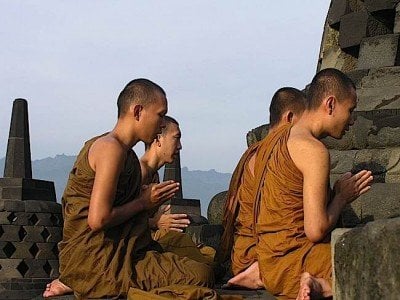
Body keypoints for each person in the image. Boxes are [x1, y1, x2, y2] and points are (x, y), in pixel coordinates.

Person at [43, 79, 214, 299]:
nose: (161, 124)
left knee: (196, 263)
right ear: (138, 111)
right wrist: (144, 203)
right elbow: (98, 219)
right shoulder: (110, 149)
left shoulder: (126, 155)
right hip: (98, 264)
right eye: (160, 115)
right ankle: (78, 281)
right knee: (202, 274)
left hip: (115, 255)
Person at [253, 68, 373, 299]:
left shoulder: (279, 138)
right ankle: (320, 284)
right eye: (350, 110)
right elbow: (315, 229)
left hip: (269, 262)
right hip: (296, 263)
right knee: (379, 259)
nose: (352, 120)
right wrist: (341, 198)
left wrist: (334, 192)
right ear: (330, 104)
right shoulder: (313, 150)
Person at [217, 87, 307, 288]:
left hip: (242, 255)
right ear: (290, 117)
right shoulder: (281, 154)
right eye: (304, 121)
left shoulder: (250, 154)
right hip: (268, 257)